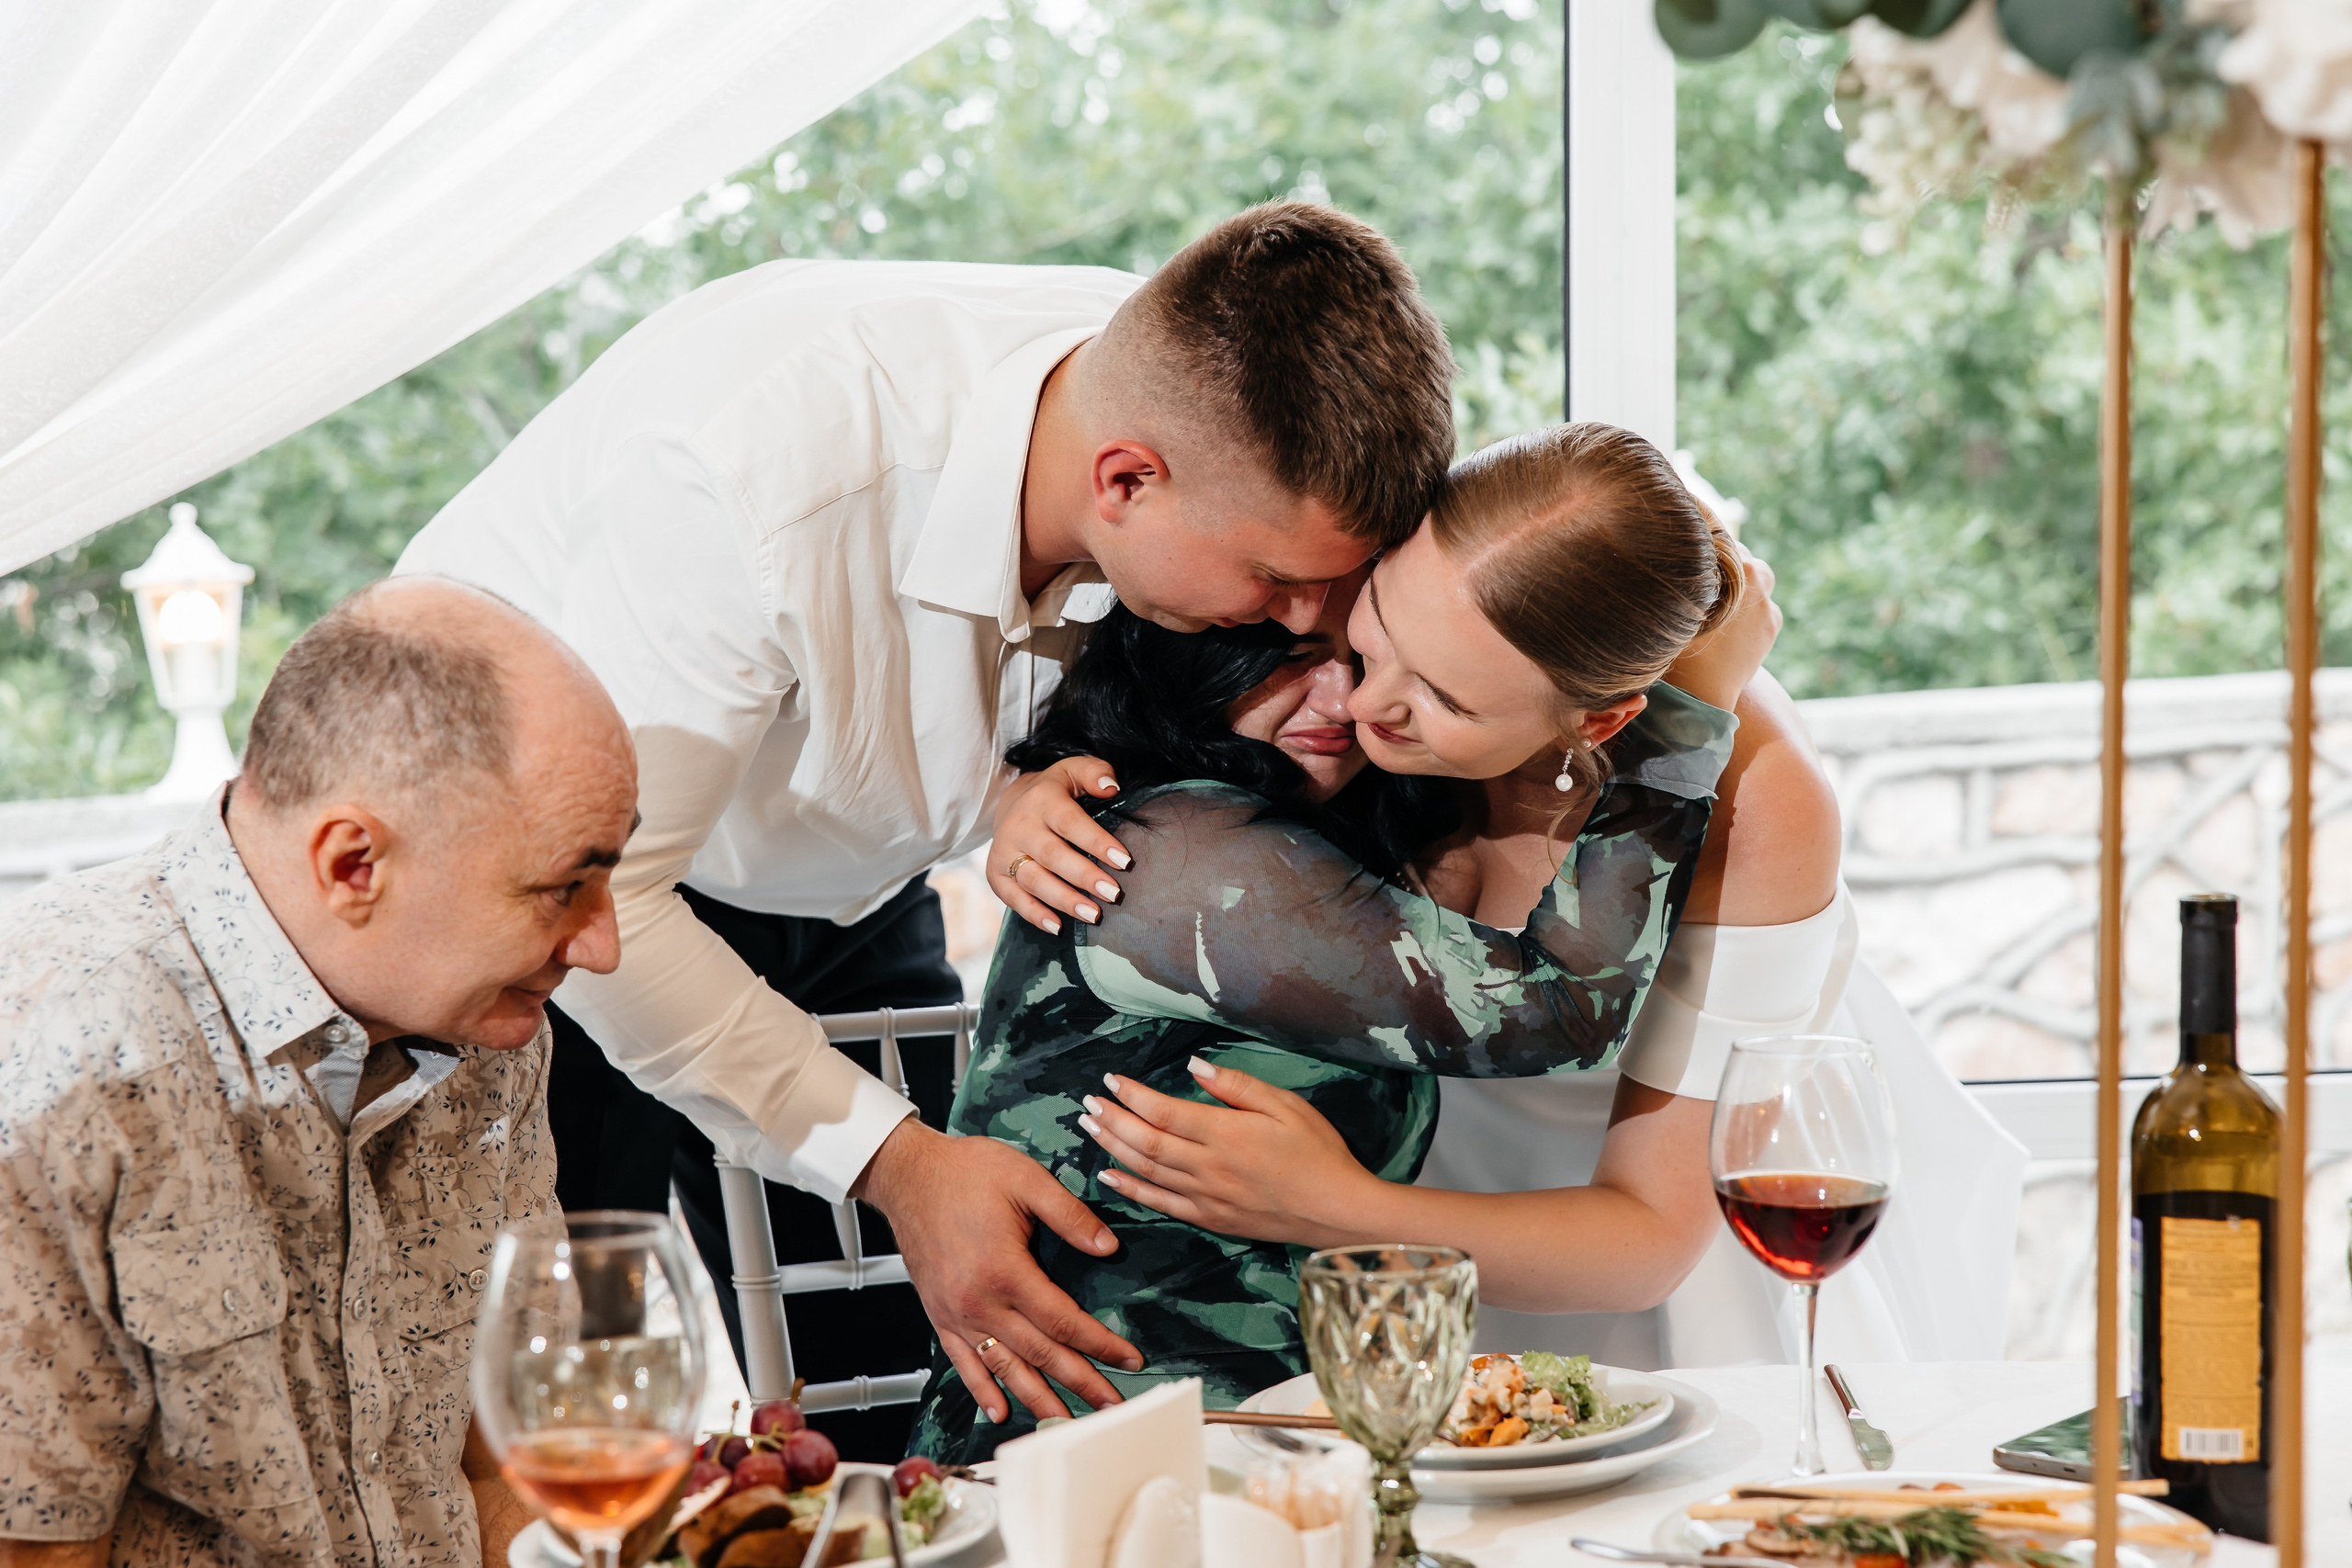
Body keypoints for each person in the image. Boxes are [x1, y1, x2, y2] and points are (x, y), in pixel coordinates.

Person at [392, 201, 1461, 1452]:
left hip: (844, 880)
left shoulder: (1195, 400)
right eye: (1278, 583)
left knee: (927, 1357)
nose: (1310, 623)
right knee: (576, 1386)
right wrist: (897, 1163)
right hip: (531, 908)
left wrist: (1004, 794)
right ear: (1124, 481)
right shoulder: (746, 481)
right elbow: (601, 900)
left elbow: (960, 701)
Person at [912, 425, 1772, 1461]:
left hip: (1293, 1448)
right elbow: (1556, 1010)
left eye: (1369, 657)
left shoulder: (1352, 816)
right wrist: (1689, 715)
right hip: (1095, 1461)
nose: (1353, 703)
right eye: (1291, 656)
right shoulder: (1171, 857)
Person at [0, 579, 636, 1568]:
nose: (602, 945)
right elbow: (35, 1550)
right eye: (565, 886)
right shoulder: (62, 1060)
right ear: (352, 865)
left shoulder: (490, 1031)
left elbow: (514, 1466)